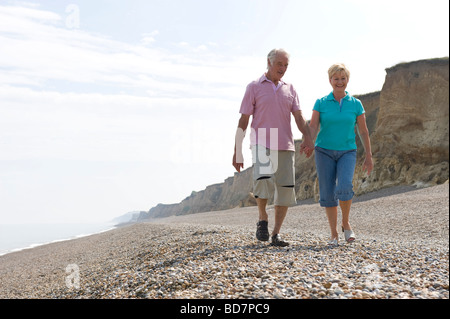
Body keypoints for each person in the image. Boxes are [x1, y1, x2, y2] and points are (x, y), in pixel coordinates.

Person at [233, 48, 314, 247]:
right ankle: (263, 219)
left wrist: (308, 137)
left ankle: (276, 234)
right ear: (268, 62)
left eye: (286, 65)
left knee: (285, 189)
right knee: (263, 180)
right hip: (262, 140)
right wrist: (237, 149)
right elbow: (244, 120)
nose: (283, 68)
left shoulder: (290, 88)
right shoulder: (254, 86)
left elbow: (298, 117)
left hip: (285, 142)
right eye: (280, 64)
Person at [303, 63, 373, 245]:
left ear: (347, 80)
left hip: (347, 151)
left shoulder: (356, 104)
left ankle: (345, 222)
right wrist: (308, 141)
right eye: (336, 78)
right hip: (323, 151)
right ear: (330, 80)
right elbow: (313, 126)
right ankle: (334, 233)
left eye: (343, 78)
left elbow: (363, 131)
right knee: (327, 192)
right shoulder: (321, 102)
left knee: (344, 186)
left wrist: (368, 155)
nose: (339, 82)